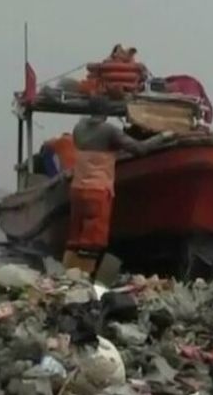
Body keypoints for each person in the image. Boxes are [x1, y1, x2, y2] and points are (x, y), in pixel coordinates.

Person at [63, 98, 171, 272]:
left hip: (77, 190)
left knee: (75, 237)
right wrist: (162, 137)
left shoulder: (79, 129)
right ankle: (82, 278)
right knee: (93, 241)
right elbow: (139, 149)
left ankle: (66, 274)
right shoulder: (109, 131)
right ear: (106, 113)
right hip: (97, 190)